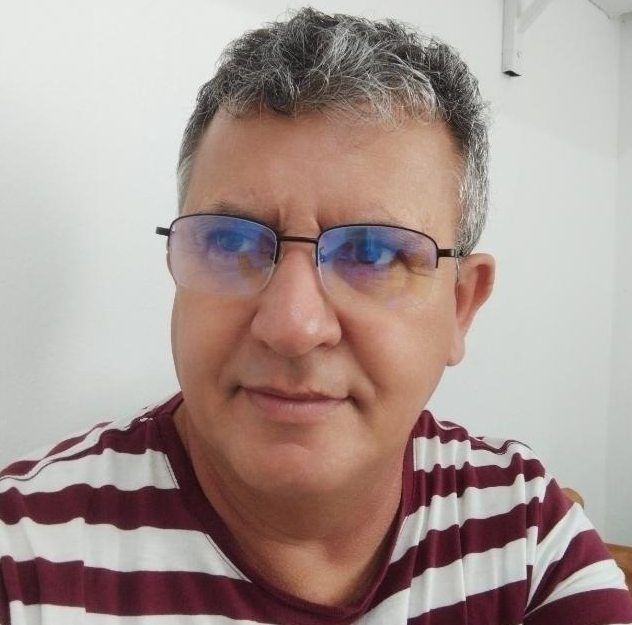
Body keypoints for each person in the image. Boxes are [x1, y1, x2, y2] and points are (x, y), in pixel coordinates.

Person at [1, 7, 630, 624]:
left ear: (460, 305)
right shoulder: (23, 556)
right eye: (230, 242)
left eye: (373, 254)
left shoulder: (524, 530)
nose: (293, 327)